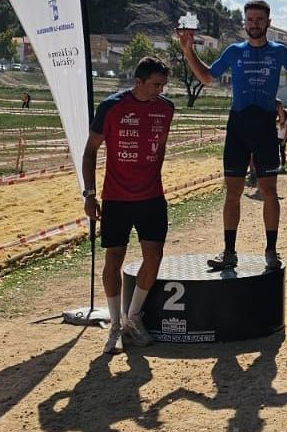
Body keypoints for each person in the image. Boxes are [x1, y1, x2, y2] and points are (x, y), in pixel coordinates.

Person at [177, 0, 287, 270]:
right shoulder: (234, 51)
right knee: (233, 192)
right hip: (238, 126)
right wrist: (188, 51)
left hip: (265, 126)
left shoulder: (279, 52)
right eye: (250, 19)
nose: (254, 24)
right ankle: (229, 252)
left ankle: (271, 250)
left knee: (269, 191)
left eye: (259, 19)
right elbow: (207, 78)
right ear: (245, 23)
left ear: (268, 22)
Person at [82, 56, 174, 355]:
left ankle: (132, 318)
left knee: (154, 256)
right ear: (138, 82)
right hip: (116, 198)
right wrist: (89, 195)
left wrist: (152, 176)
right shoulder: (111, 107)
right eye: (155, 85)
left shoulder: (166, 108)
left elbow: (160, 146)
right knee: (114, 259)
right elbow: (90, 152)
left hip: (152, 197)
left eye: (163, 85)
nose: (160, 90)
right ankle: (114, 327)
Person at [275, 98, 287, 172]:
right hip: (277, 137)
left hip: (283, 138)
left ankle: (282, 166)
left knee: (282, 152)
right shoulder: (277, 121)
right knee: (276, 152)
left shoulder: (286, 122)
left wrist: (284, 140)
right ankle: (277, 165)